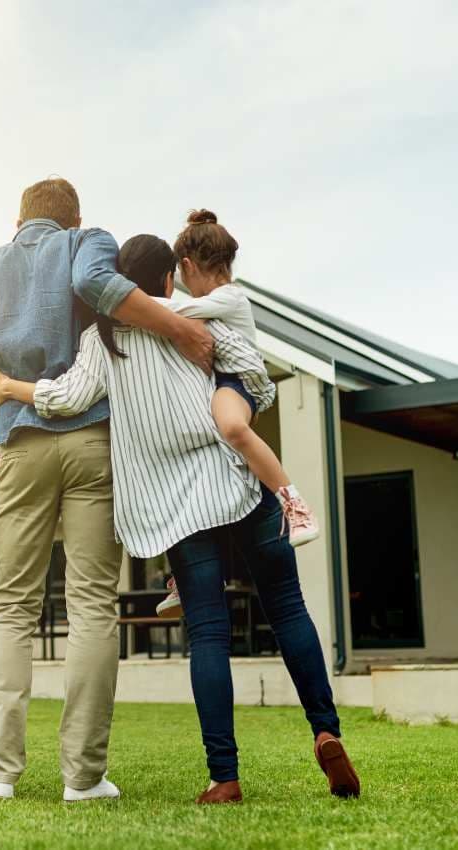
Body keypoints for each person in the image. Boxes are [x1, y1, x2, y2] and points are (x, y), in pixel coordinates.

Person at [0, 178, 214, 801]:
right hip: (90, 445)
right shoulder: (88, 241)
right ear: (74, 217)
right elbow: (97, 287)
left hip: (20, 445)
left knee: (12, 607)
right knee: (90, 606)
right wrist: (180, 329)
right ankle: (83, 778)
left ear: (17, 220)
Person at [0, 232, 359, 805]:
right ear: (169, 279)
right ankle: (326, 730)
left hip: (177, 510)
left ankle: (224, 777)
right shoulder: (192, 316)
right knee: (287, 608)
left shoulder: (102, 337)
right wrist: (236, 399)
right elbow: (252, 375)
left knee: (208, 633)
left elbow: (66, 397)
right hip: (235, 481)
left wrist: (11, 387)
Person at [153, 209, 318, 619]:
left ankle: (293, 503)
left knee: (229, 427)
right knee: (203, 479)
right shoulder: (213, 299)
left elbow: (174, 314)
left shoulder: (229, 297)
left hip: (237, 384)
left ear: (188, 266)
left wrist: (124, 300)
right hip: (219, 387)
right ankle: (181, 575)